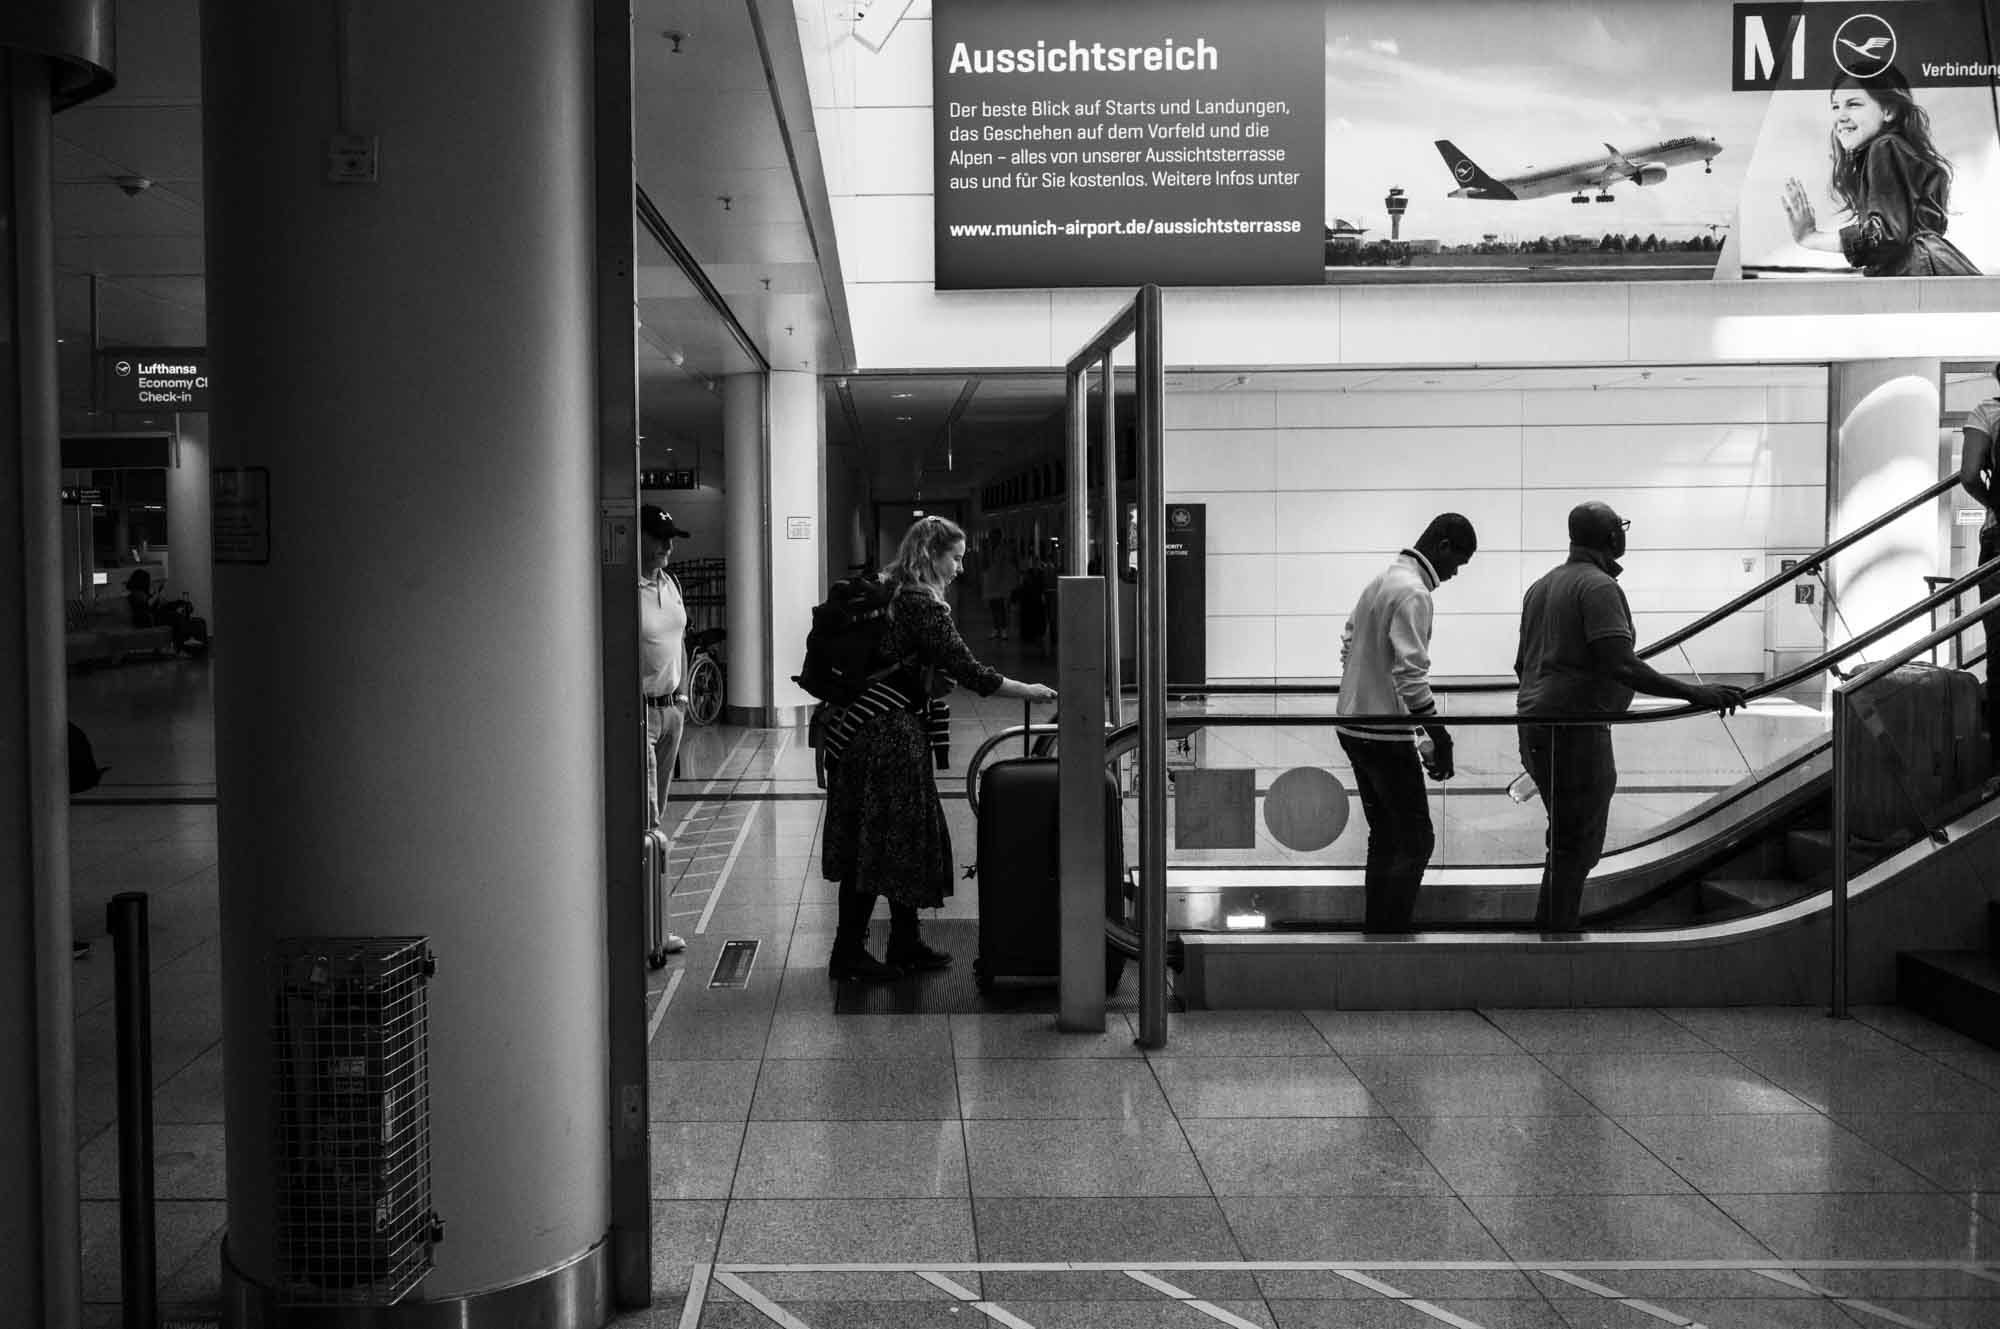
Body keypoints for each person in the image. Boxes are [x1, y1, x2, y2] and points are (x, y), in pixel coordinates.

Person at [821, 515, 1056, 981]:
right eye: (955, 557)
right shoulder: (920, 605)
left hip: (866, 732)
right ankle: (848, 952)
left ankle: (904, 944)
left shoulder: (889, 589)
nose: (960, 568)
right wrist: (1027, 690)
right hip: (890, 737)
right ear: (931, 554)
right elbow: (970, 671)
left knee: (891, 839)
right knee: (882, 843)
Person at [1515, 502, 1747, 934]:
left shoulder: (1541, 586)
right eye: (1619, 527)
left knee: (1565, 840)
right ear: (1609, 538)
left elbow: (1520, 665)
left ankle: (1549, 930)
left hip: (1535, 725)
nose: (1623, 533)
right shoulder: (1598, 588)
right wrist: (1696, 693)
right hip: (1576, 730)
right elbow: (1621, 664)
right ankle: (1556, 938)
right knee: (1578, 844)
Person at [1335, 514, 1477, 932]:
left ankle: (1376, 929)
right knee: (1416, 839)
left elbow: (1348, 643)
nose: (1454, 573)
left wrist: (1385, 706)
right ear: (1443, 545)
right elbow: (1410, 674)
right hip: (1381, 735)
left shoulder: (1380, 582)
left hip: (1352, 725)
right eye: (1459, 562)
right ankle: (1392, 932)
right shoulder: (1413, 593)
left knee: (1385, 834)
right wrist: (1439, 735)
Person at [1781, 67, 1978, 277]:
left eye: (1854, 104)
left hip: (1921, 270)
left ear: (1889, 111)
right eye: (1835, 107)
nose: (1840, 117)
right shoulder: (1895, 150)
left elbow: (1885, 236)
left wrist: (1810, 237)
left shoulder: (1885, 146)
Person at [640, 504, 691, 955]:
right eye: (658, 539)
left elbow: (680, 640)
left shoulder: (669, 583)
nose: (667, 547)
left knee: (657, 818)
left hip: (670, 711)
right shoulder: (625, 590)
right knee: (648, 820)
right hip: (639, 715)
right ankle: (652, 930)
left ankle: (653, 923)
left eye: (670, 539)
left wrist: (681, 698)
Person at [1962, 362, 2000, 763]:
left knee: (1999, 645)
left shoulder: (1988, 411)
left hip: (1998, 539)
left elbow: (1970, 475)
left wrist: (1994, 503)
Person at [979, 536, 1017, 640]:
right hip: (991, 582)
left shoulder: (1003, 550)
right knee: (994, 607)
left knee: (1001, 607)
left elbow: (1008, 565)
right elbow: (984, 564)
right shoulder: (988, 550)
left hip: (1001, 583)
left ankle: (1003, 629)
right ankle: (996, 628)